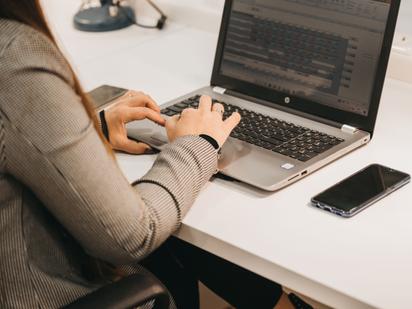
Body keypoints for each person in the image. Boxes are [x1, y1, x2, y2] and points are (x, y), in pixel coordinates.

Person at [0, 1, 308, 308]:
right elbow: (131, 235)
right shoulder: (14, 55)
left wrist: (89, 129)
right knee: (182, 217)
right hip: (55, 294)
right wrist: (197, 144)